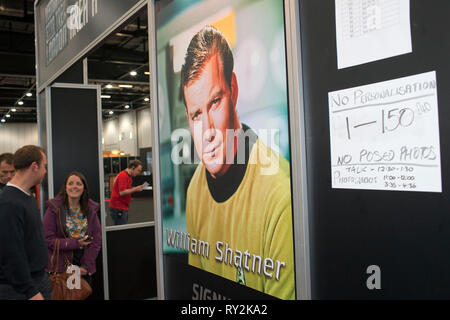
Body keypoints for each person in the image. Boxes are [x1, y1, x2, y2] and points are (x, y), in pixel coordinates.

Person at [180, 26, 295, 299]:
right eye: (196, 114)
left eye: (215, 102)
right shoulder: (195, 187)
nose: (207, 130)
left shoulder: (280, 196)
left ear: (233, 89)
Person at [0, 145, 51, 300]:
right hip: (19, 289)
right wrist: (30, 291)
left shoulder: (27, 197)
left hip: (37, 280)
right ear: (34, 167)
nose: (45, 171)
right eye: (44, 166)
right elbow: (11, 253)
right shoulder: (9, 203)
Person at [43, 171, 102, 287]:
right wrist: (76, 243)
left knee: (80, 295)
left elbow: (96, 241)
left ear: (84, 188)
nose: (74, 186)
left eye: (78, 184)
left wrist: (86, 266)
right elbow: (48, 239)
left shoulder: (91, 210)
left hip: (82, 264)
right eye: (70, 183)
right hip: (61, 266)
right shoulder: (54, 209)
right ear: (65, 188)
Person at [109, 160, 144, 225]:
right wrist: (135, 189)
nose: (138, 172)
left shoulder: (128, 176)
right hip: (118, 207)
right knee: (121, 231)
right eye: (138, 170)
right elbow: (122, 192)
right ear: (133, 168)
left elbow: (126, 190)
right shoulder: (123, 175)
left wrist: (135, 188)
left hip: (121, 207)